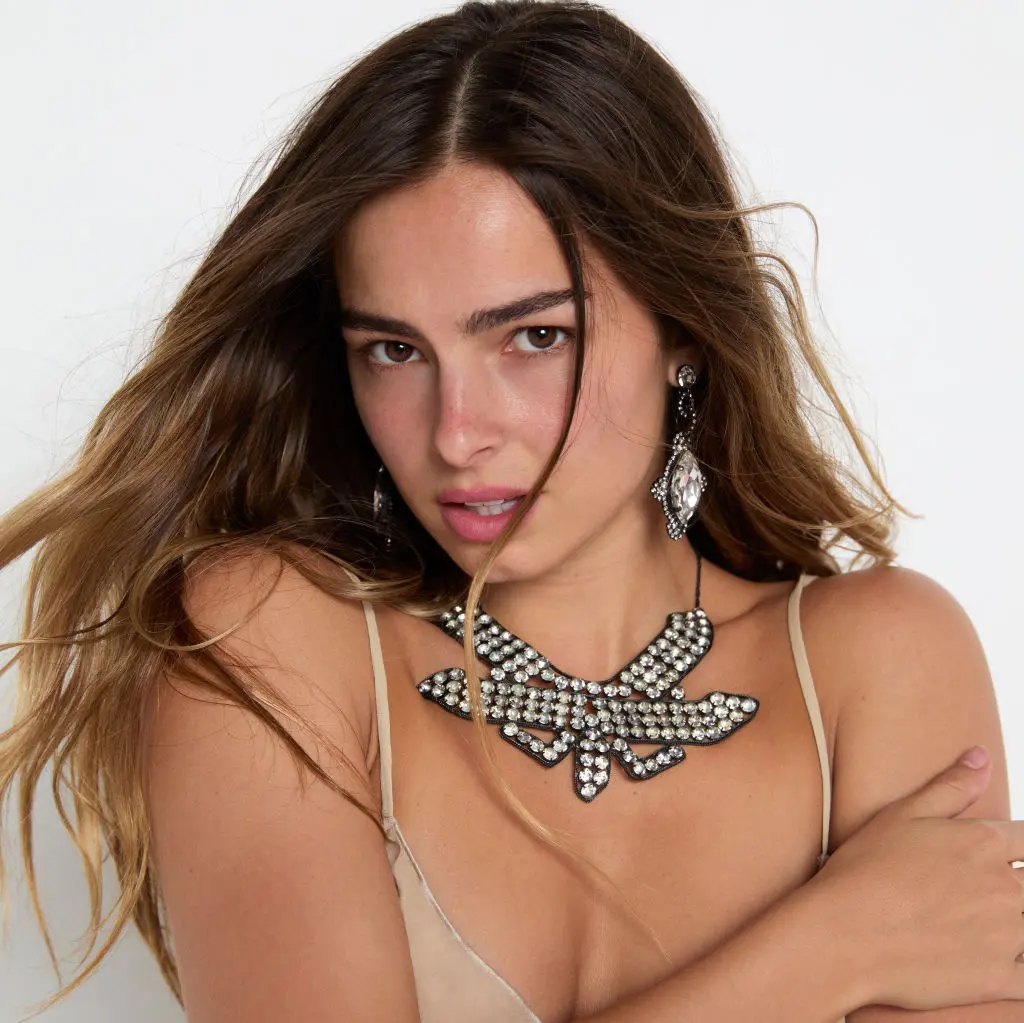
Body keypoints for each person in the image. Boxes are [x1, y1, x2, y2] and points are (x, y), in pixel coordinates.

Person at [0, 1, 1021, 1020]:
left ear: (686, 331)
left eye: (534, 337)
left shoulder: (875, 661)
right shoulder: (270, 636)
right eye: (393, 350)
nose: (456, 432)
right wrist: (831, 947)